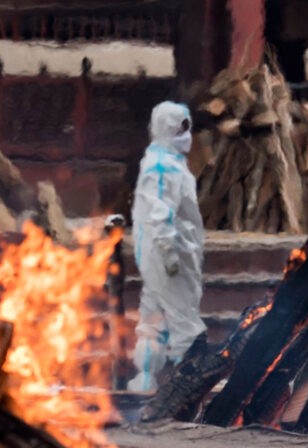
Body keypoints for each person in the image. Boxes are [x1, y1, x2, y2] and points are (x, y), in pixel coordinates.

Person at [128, 101, 207, 392]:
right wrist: (170, 252)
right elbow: (159, 212)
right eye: (180, 129)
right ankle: (190, 385)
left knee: (152, 319)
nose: (187, 136)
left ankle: (147, 379)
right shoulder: (163, 168)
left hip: (159, 255)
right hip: (170, 255)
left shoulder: (164, 161)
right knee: (184, 320)